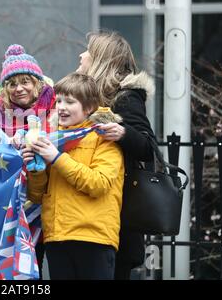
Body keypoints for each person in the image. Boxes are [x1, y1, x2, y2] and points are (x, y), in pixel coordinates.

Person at [24, 72, 124, 280]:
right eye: (59, 100)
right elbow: (36, 195)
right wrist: (36, 168)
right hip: (57, 237)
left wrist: (56, 158)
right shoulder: (52, 138)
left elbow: (99, 183)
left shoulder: (104, 137)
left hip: (93, 238)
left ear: (89, 108)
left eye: (70, 102)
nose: (61, 107)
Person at [76, 30, 156, 279]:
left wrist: (122, 132)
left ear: (101, 59)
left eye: (87, 51)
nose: (81, 55)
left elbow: (147, 147)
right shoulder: (84, 97)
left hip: (115, 224)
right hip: (82, 216)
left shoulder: (125, 98)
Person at [0, 44, 56, 279]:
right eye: (12, 84)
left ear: (37, 83)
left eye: (25, 81)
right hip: (14, 205)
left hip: (52, 202)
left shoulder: (56, 108)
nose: (19, 89)